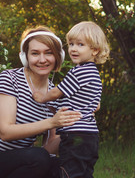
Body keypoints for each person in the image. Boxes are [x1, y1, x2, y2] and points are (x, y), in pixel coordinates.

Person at [0, 26, 82, 178]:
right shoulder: (9, 78)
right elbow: (5, 132)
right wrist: (52, 122)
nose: (42, 59)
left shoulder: (55, 94)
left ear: (58, 56)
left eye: (48, 53)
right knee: (38, 158)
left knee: (64, 167)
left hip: (22, 164)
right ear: (25, 56)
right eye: (35, 53)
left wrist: (76, 121)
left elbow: (48, 148)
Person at [33, 21, 110, 178]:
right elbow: (96, 106)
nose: (73, 49)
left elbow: (56, 92)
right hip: (90, 136)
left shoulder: (79, 72)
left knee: (69, 173)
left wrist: (42, 97)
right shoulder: (94, 74)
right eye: (71, 44)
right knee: (83, 173)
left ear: (95, 50)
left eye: (80, 44)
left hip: (76, 134)